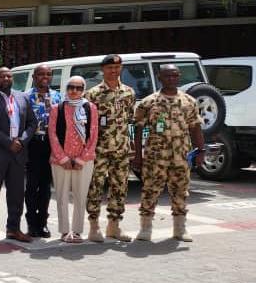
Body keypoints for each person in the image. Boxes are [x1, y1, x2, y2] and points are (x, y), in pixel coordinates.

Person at [134, 64, 205, 242]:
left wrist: (200, 151)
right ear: (160, 78)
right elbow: (137, 128)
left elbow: (196, 127)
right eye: (167, 76)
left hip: (181, 155)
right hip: (155, 156)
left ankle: (180, 228)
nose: (171, 79)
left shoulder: (189, 101)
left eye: (174, 75)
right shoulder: (149, 102)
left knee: (180, 191)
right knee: (150, 190)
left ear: (179, 76)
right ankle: (145, 228)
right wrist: (137, 155)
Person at [0, 67, 37, 244]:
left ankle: (13, 229)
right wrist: (8, 142)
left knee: (17, 195)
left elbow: (32, 123)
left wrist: (22, 141)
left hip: (18, 153)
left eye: (9, 76)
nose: (5, 78)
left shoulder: (23, 97)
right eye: (2, 76)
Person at [84, 54, 136, 243]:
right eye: (110, 68)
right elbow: (86, 124)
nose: (114, 71)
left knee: (120, 187)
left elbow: (129, 119)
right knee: (95, 187)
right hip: (99, 150)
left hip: (121, 149)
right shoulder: (93, 94)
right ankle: (94, 227)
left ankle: (114, 226)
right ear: (103, 70)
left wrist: (131, 143)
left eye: (117, 67)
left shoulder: (129, 92)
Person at [48, 76, 99, 243]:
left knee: (80, 196)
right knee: (61, 197)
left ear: (83, 90)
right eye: (71, 87)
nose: (74, 91)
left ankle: (77, 231)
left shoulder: (90, 108)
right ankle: (64, 231)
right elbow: (52, 134)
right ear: (66, 88)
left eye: (78, 88)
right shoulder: (57, 108)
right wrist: (63, 158)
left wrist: (81, 159)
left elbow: (93, 135)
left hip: (83, 161)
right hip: (60, 160)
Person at [25, 64, 62, 238]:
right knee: (32, 186)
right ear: (34, 77)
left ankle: (43, 223)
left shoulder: (57, 96)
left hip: (50, 144)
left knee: (46, 186)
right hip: (32, 144)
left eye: (48, 74)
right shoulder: (25, 97)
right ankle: (31, 223)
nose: (45, 77)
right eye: (41, 74)